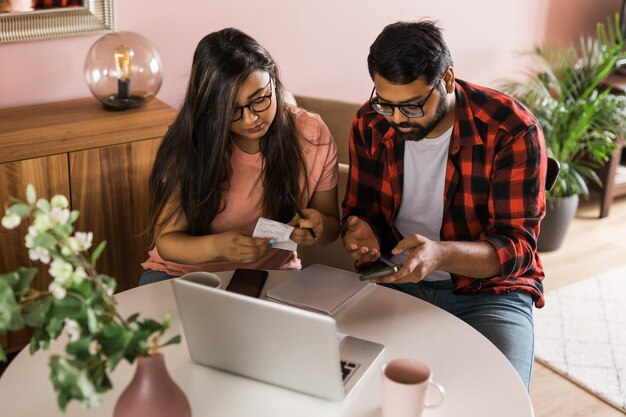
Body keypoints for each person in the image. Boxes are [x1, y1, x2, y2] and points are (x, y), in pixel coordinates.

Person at [341, 20, 547, 391]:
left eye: (412, 106)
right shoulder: (371, 122)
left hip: (490, 293)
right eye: (386, 104)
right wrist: (361, 229)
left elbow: (517, 247)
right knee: (347, 384)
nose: (398, 119)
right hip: (396, 283)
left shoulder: (510, 128)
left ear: (447, 80)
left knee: (500, 399)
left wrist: (440, 255)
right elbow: (360, 208)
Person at [140, 28, 340, 285]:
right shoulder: (192, 143)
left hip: (273, 275)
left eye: (260, 100)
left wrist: (319, 226)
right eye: (232, 110)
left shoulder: (311, 134)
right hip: (184, 275)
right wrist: (218, 246)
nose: (251, 119)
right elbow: (167, 242)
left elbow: (331, 227)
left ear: (274, 81)